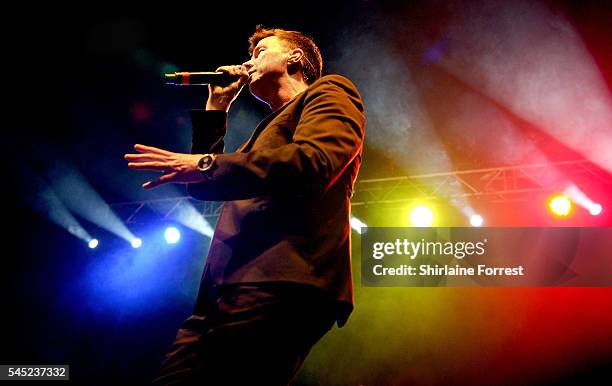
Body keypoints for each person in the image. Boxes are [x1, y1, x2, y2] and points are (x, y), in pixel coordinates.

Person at [125, 25, 365, 385]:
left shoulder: (330, 90)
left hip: (281, 278)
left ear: (294, 58)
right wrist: (216, 107)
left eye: (260, 51)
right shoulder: (264, 132)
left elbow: (315, 161)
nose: (248, 62)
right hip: (222, 292)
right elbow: (202, 187)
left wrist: (203, 165)